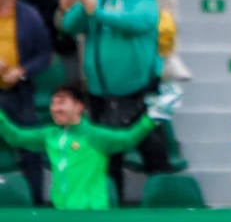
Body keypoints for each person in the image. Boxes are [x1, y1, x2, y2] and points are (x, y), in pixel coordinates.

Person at [58, 0, 168, 203]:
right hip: (101, 98)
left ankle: (165, 212)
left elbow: (135, 23)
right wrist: (81, 8)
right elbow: (69, 26)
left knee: (155, 157)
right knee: (107, 163)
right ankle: (110, 213)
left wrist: (96, 12)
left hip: (139, 96)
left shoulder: (144, 0)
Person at [0, 83, 167, 209]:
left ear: (78, 106)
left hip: (92, 216)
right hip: (61, 214)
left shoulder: (94, 135)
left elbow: (128, 139)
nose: (55, 108)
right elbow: (16, 137)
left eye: (62, 102)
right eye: (53, 103)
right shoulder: (50, 135)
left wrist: (151, 119)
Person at [0, 0, 53, 203]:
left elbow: (44, 55)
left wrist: (22, 71)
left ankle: (35, 203)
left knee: (31, 148)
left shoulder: (29, 16)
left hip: (19, 93)